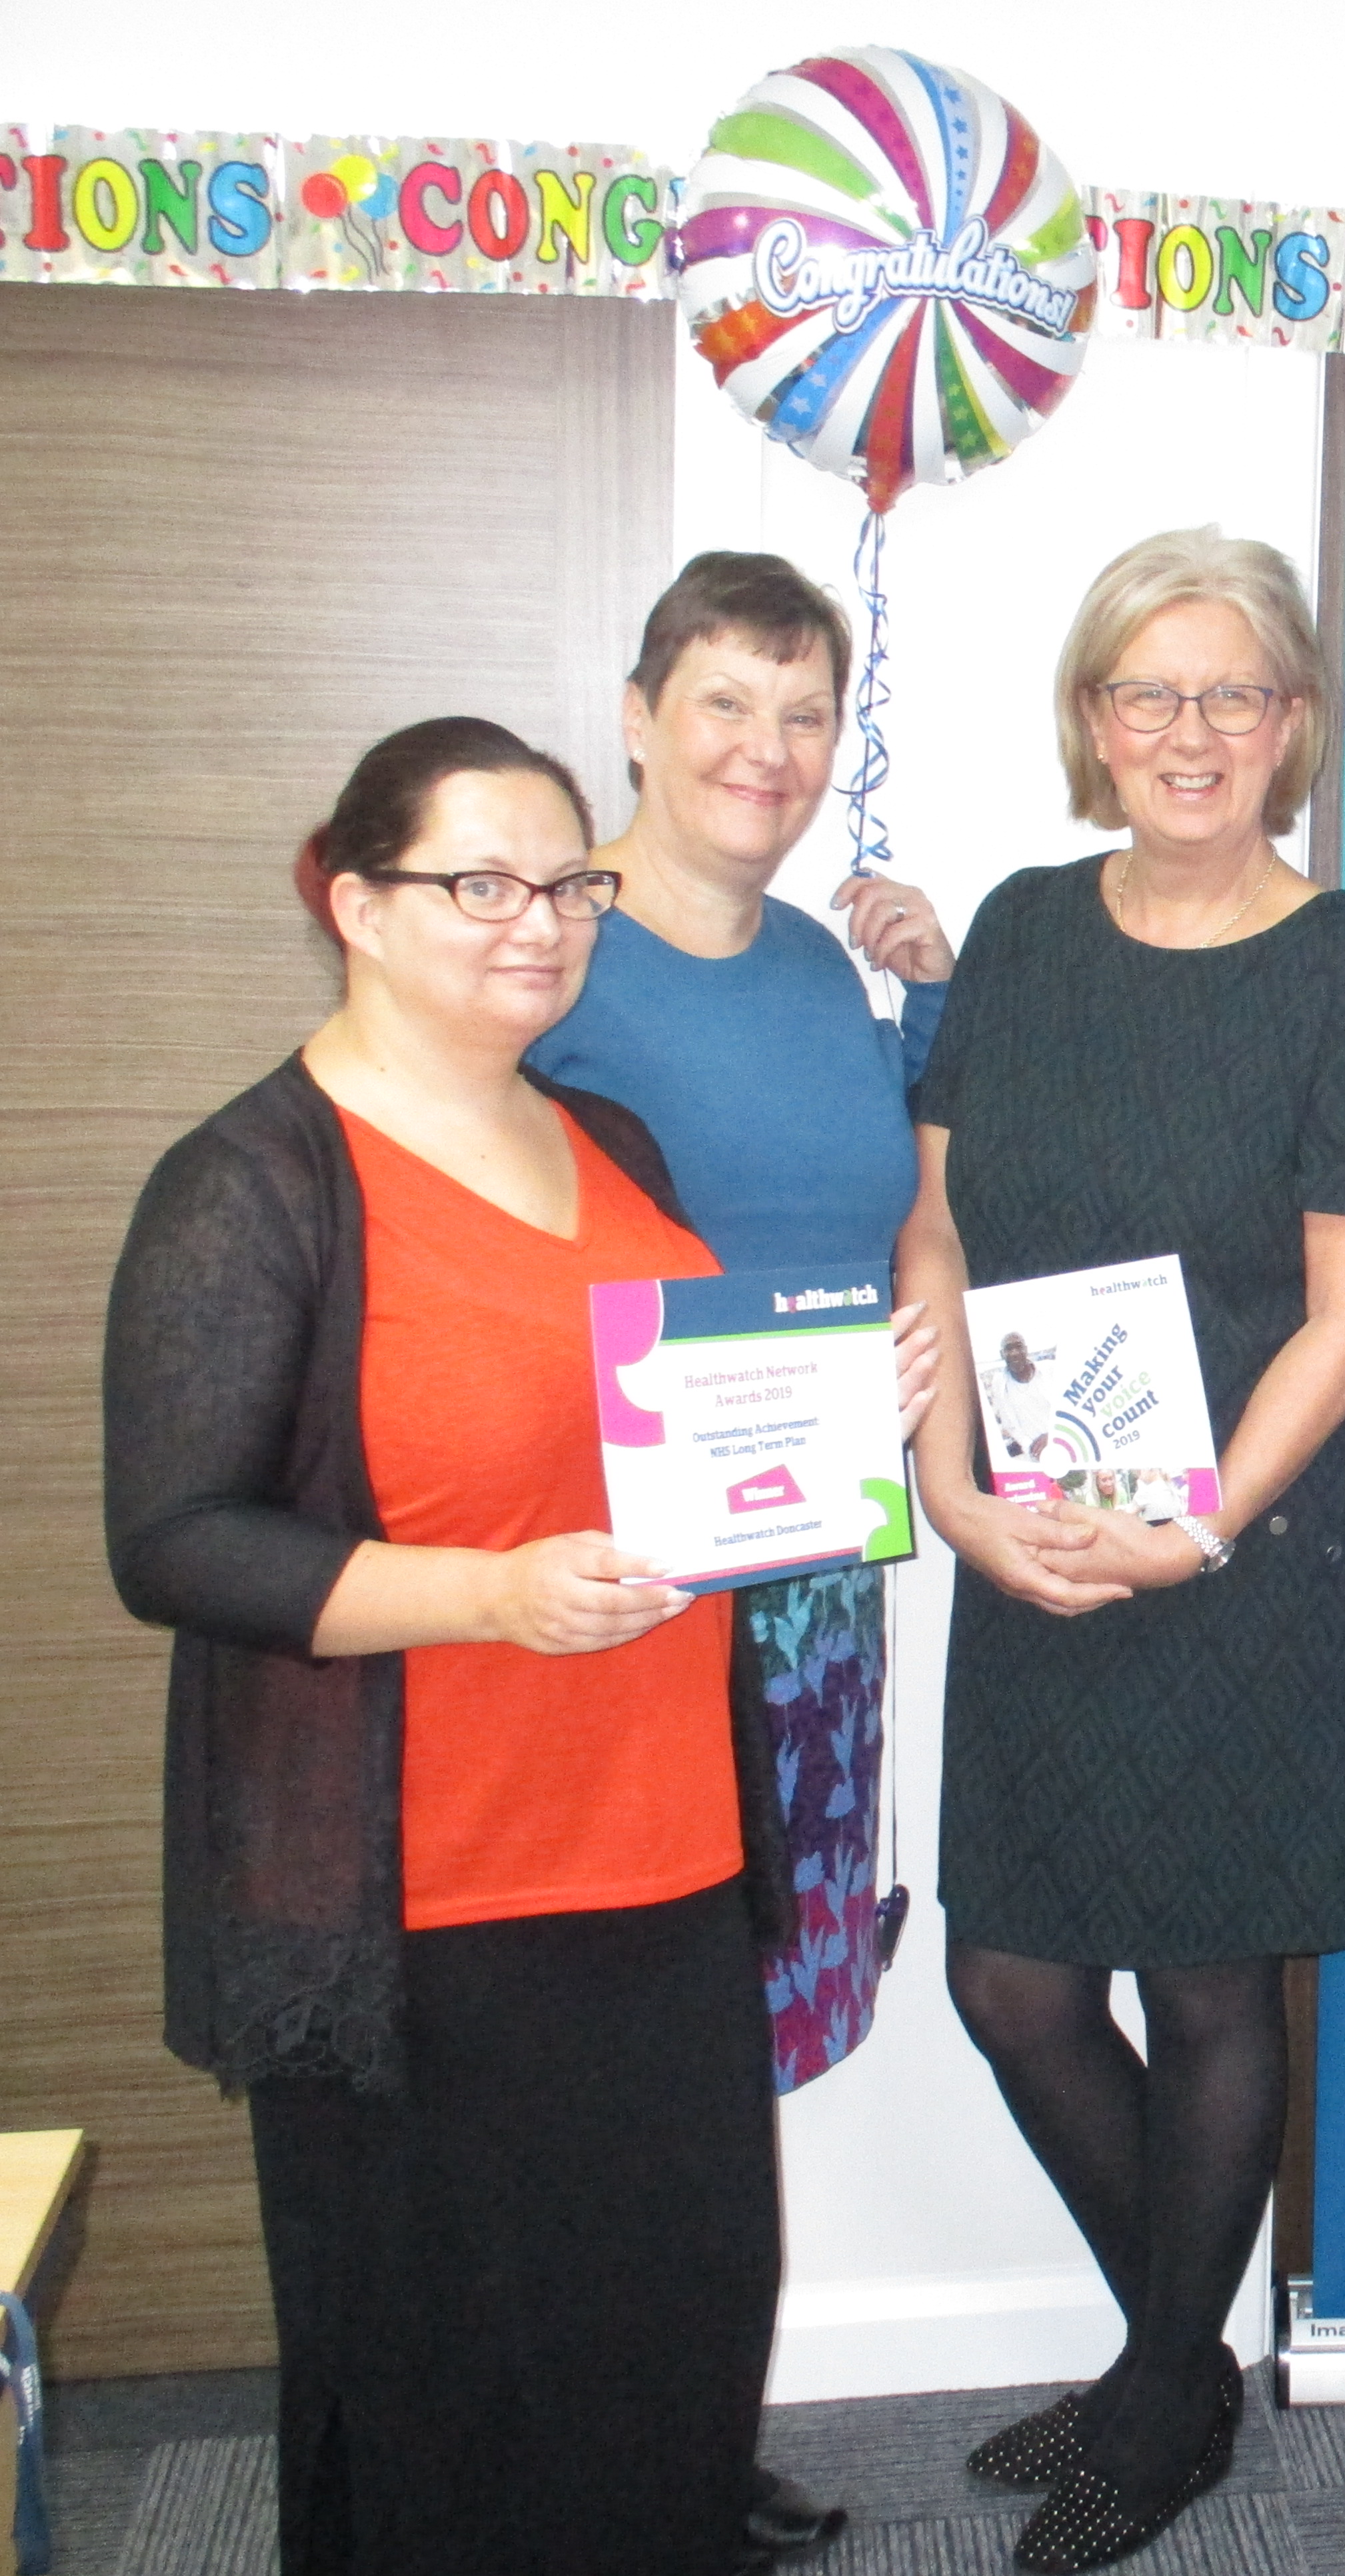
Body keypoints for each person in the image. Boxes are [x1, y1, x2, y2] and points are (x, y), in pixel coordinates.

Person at [103, 717, 936, 2576]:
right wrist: (487, 1595)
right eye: (478, 881)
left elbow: (663, 1459)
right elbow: (176, 1543)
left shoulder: (608, 1137)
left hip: (666, 1855)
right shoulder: (254, 1182)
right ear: (355, 903)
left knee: (676, 2338)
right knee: (455, 2388)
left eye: (567, 883)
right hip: (426, 1901)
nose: (537, 921)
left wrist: (824, 1421)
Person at [894, 528, 1345, 2574]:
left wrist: (1188, 1528)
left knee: (1215, 1989)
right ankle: (1180, 2361)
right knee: (1015, 1979)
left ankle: (1157, 2393)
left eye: (1232, 694)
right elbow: (940, 1230)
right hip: (1027, 1530)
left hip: (1247, 1562)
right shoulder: (1022, 937)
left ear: (1292, 727)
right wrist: (949, 1486)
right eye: (1148, 691)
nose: (1187, 731)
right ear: (1092, 719)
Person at [524, 554, 953, 2567]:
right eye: (722, 706)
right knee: (599, 2028)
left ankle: (687, 2436)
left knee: (723, 2046)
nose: (764, 755)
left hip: (802, 1583)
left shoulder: (814, 968)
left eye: (803, 717)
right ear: (635, 714)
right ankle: (591, 2451)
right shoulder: (540, 956)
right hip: (602, 1581)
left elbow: (891, 1208)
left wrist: (933, 986)